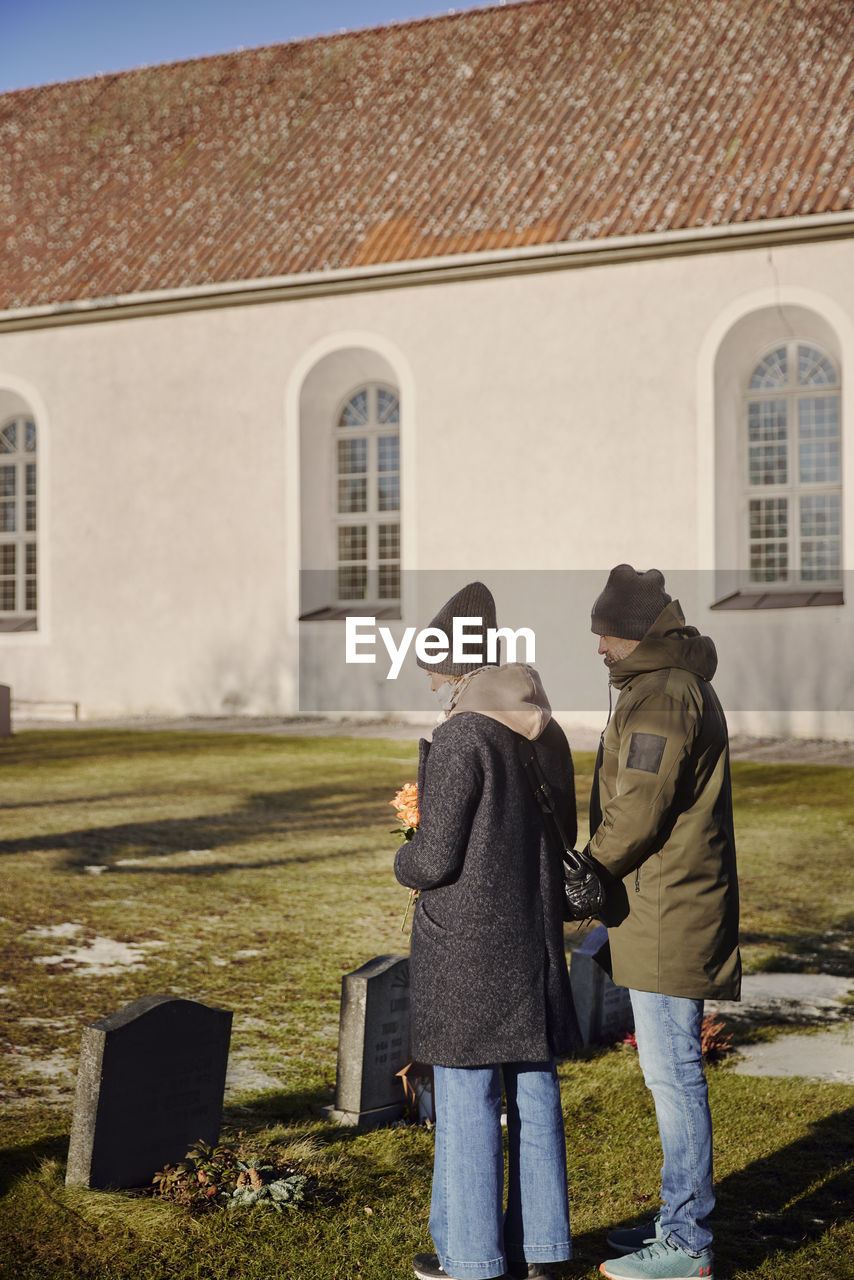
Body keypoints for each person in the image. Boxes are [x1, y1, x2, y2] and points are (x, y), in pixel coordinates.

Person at [395, 581, 580, 1280]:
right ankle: (543, 1253)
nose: (433, 681)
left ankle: (471, 1258)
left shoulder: (462, 734)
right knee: (533, 1088)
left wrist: (400, 854)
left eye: (435, 667)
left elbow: (435, 857)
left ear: (458, 665)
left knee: (468, 1094)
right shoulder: (546, 729)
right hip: (531, 932)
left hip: (467, 940)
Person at [585, 566, 740, 1280]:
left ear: (633, 633)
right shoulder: (661, 685)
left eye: (604, 635)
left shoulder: (664, 693)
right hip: (659, 903)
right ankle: (676, 1225)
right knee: (666, 1072)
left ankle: (686, 1242)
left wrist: (588, 872)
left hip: (668, 908)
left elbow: (640, 805)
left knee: (674, 1074)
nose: (599, 649)